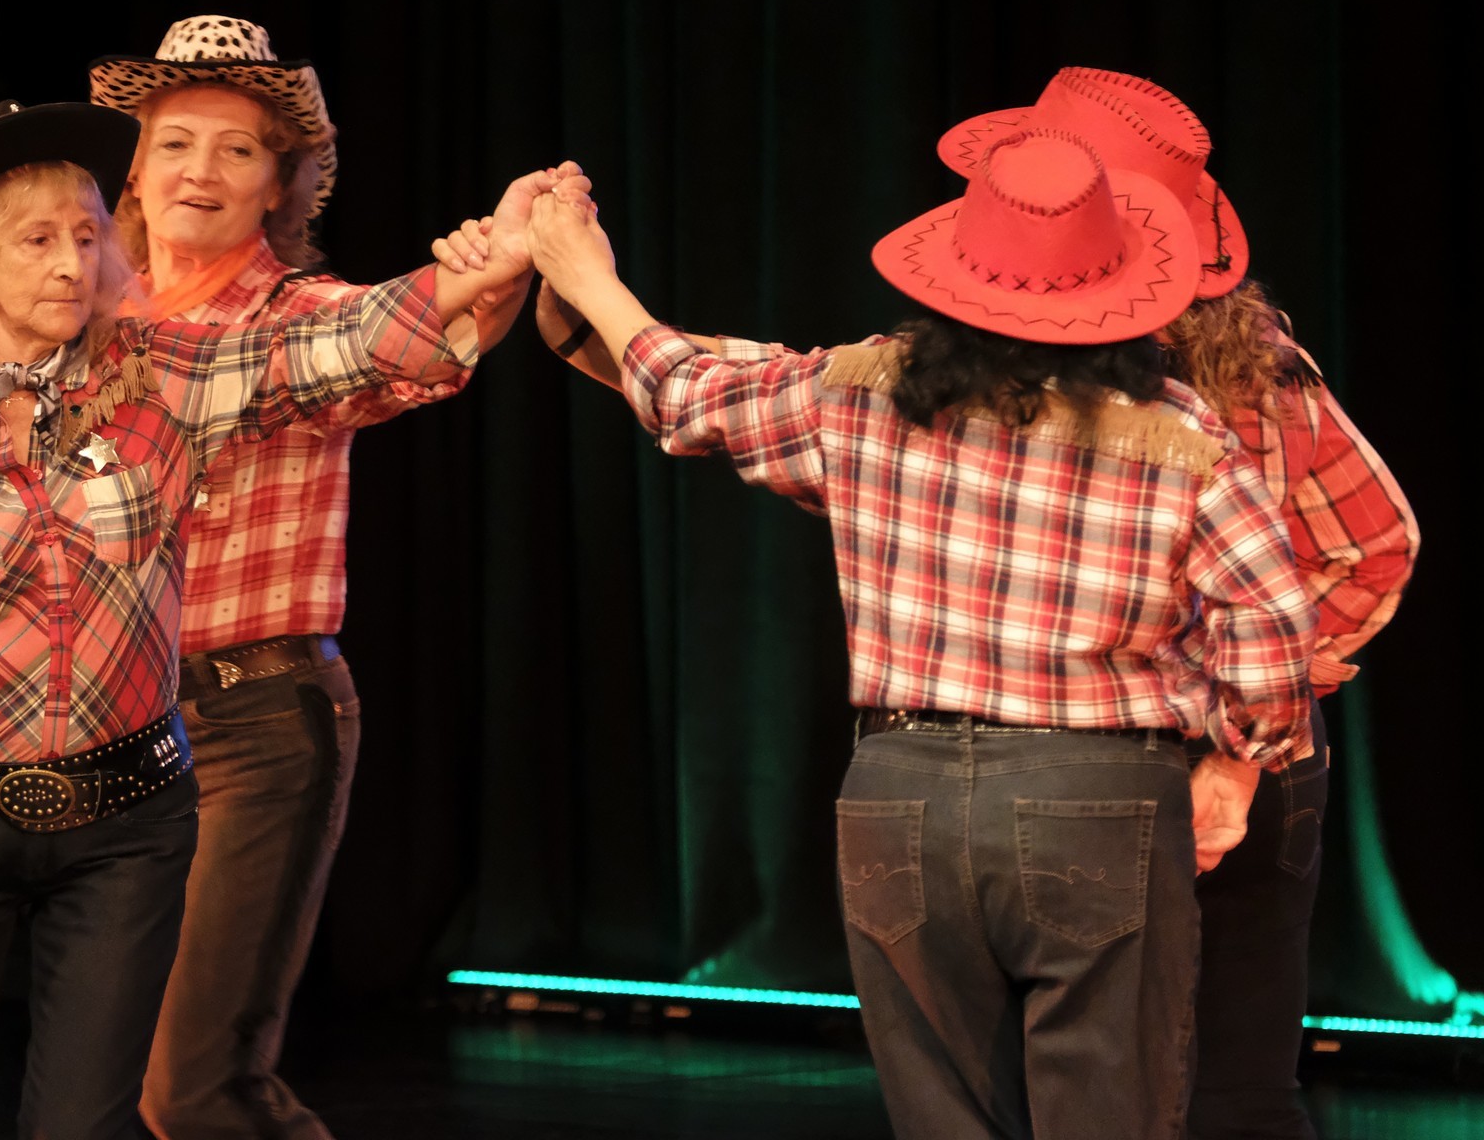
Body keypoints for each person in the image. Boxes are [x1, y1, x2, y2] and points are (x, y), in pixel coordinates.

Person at [0, 100, 504, 1140]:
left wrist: (482, 268)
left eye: (88, 237)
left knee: (86, 1124)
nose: (73, 264)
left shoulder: (161, 377)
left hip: (127, 822)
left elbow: (325, 345)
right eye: (38, 240)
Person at [514, 130, 1316, 1139]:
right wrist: (1237, 766)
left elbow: (687, 391)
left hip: (902, 798)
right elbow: (1272, 621)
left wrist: (586, 275)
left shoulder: (861, 391)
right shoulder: (1182, 438)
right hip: (1097, 795)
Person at [86, 14, 575, 1140]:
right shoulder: (87, 323)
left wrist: (490, 264)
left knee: (196, 1088)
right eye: (174, 143)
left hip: (253, 726)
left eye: (237, 150)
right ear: (134, 170)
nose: (200, 171)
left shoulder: (297, 315)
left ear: (280, 186)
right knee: (99, 1080)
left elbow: (401, 339)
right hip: (108, 730)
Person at [937, 68, 1419, 1139]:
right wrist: (1261, 714)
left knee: (1132, 1091)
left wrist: (1239, 745)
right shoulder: (1243, 366)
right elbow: (1375, 545)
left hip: (1114, 759)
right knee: (1195, 1093)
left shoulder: (1171, 379)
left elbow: (1375, 546)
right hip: (1177, 756)